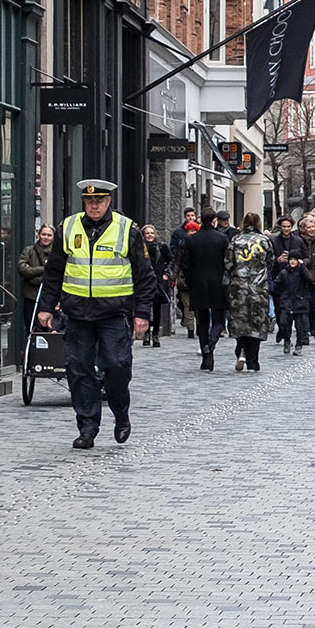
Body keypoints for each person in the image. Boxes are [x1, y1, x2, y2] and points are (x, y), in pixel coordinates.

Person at [37, 179, 159, 450]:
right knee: (78, 370)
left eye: (100, 201)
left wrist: (142, 313)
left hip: (114, 314)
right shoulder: (67, 227)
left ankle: (120, 412)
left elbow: (145, 276)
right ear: (84, 202)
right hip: (77, 313)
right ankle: (87, 427)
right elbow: (54, 271)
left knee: (116, 366)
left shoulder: (128, 230)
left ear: (108, 202)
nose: (94, 205)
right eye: (90, 201)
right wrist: (46, 306)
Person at [180, 211, 231, 370]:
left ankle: (206, 355)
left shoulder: (191, 239)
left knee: (202, 321)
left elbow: (185, 264)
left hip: (198, 283)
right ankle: (211, 343)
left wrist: (189, 280)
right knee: (218, 320)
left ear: (201, 220)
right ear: (214, 220)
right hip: (218, 283)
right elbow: (227, 262)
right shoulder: (222, 239)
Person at [225, 213, 272, 373]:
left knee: (240, 321)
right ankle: (253, 361)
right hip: (258, 288)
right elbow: (270, 262)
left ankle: (241, 349)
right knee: (256, 323)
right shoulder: (264, 241)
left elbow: (228, 263)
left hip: (238, 287)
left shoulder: (236, 240)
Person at [269, 219, 312, 354]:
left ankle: (297, 342)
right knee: (281, 316)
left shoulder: (298, 241)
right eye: (284, 226)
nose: (286, 229)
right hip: (282, 280)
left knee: (298, 322)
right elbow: (268, 260)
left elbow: (307, 258)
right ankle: (284, 335)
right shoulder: (274, 241)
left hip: (298, 285)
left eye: (288, 226)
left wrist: (300, 263)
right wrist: (277, 260)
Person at [169, 206, 200, 337]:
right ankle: (191, 329)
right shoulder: (179, 237)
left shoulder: (199, 242)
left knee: (195, 306)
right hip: (185, 278)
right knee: (187, 305)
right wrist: (173, 277)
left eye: (192, 216)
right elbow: (176, 260)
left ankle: (196, 328)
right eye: (188, 216)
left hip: (196, 278)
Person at [18, 223, 55, 315]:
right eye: (43, 234)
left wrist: (33, 272)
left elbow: (56, 273)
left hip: (50, 297)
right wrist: (43, 269)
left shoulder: (56, 253)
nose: (46, 237)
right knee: (30, 325)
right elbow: (23, 269)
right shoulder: (29, 251)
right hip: (31, 296)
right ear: (38, 234)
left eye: (49, 235)